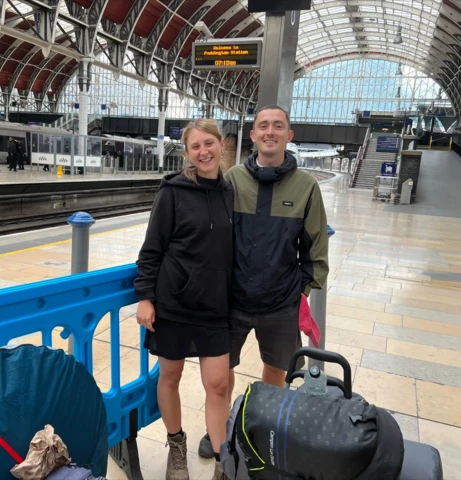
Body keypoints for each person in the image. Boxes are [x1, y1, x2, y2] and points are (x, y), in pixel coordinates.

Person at [198, 104, 330, 458]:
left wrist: (297, 290)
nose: (270, 132)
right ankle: (220, 428)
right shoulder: (232, 181)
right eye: (263, 126)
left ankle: (261, 427)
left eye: (278, 126)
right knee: (220, 374)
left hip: (280, 305)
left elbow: (316, 249)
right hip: (231, 301)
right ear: (253, 135)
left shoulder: (306, 187)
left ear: (289, 135)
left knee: (278, 370)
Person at [134, 119, 234, 480]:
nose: (204, 151)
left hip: (215, 306)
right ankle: (176, 445)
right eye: (196, 146)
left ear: (223, 146)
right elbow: (151, 250)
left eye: (210, 143)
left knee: (219, 383)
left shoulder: (231, 192)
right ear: (187, 153)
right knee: (170, 376)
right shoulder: (172, 192)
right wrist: (145, 297)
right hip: (173, 303)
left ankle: (224, 459)